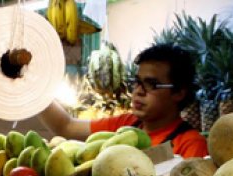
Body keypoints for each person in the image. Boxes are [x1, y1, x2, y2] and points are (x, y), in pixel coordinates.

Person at [40, 43, 209, 159]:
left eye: (152, 85)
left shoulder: (190, 144)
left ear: (179, 92)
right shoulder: (126, 125)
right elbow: (66, 127)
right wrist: (34, 90)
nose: (139, 91)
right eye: (137, 82)